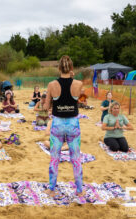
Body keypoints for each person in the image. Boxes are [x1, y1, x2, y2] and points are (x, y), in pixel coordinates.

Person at [44, 55, 84, 199]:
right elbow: (80, 98)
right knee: (76, 158)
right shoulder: (78, 84)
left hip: (58, 123)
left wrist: (49, 104)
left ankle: (52, 189)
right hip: (73, 123)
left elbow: (46, 106)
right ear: (71, 68)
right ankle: (79, 190)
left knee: (55, 158)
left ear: (59, 68)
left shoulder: (51, 85)